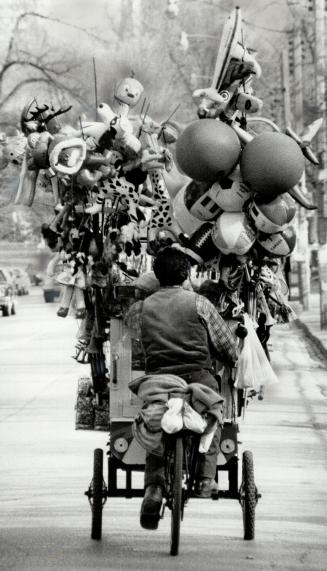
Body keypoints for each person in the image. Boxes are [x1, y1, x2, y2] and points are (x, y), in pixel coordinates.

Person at [126, 247, 238, 530]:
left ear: (157, 275)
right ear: (186, 274)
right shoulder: (200, 303)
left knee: (155, 426)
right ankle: (205, 477)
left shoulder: (140, 309)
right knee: (214, 415)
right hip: (199, 380)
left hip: (158, 383)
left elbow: (133, 346)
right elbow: (227, 347)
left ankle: (153, 489)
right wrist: (230, 358)